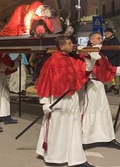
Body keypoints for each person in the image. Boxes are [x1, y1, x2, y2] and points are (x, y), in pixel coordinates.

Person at [35, 35, 95, 167]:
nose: (72, 45)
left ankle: (75, 157)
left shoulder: (70, 59)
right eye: (69, 43)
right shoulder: (51, 62)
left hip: (71, 98)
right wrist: (44, 102)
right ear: (62, 47)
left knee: (73, 128)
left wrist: (90, 58)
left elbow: (84, 70)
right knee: (57, 129)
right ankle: (54, 156)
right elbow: (45, 82)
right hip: (57, 99)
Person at [79, 32, 120, 150]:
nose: (101, 40)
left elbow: (108, 68)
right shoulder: (86, 52)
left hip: (99, 86)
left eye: (101, 38)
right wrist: (91, 54)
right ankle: (83, 140)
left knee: (103, 112)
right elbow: (86, 68)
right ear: (91, 40)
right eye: (98, 38)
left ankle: (108, 138)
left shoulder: (100, 54)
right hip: (90, 86)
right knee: (89, 113)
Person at [101, 28, 120, 94]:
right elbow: (102, 50)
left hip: (114, 59)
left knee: (115, 74)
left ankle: (117, 87)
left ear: (112, 33)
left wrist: (108, 56)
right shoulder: (105, 41)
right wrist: (103, 56)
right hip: (106, 60)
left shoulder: (115, 41)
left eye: (107, 33)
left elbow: (116, 51)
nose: (106, 34)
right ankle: (108, 86)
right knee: (107, 73)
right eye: (105, 33)